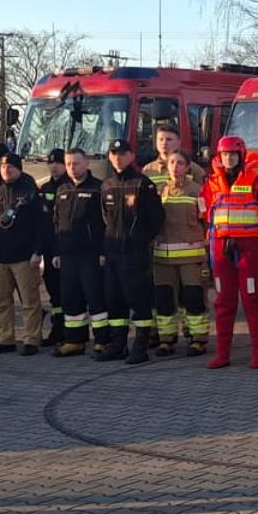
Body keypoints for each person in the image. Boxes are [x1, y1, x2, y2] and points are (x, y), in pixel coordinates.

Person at [202, 136, 258, 369]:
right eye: (225, 154)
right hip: (221, 248)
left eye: (233, 154)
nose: (229, 158)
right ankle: (222, 355)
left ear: (242, 155)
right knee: (223, 301)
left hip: (249, 248)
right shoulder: (211, 183)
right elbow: (204, 213)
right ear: (219, 156)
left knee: (252, 300)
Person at [142, 135, 211, 357]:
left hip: (191, 256)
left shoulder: (197, 191)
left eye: (180, 163)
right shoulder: (160, 191)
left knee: (193, 298)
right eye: (172, 163)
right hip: (163, 256)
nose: (175, 167)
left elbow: (206, 220)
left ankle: (197, 338)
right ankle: (166, 340)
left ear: (188, 167)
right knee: (163, 300)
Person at [0, 153, 49, 356]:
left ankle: (32, 339)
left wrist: (38, 251)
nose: (7, 170)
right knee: (1, 301)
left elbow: (41, 226)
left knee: (29, 301)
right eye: (3, 167)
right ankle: (4, 338)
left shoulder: (31, 193)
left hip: (24, 257)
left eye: (11, 167)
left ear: (19, 169)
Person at [99, 139, 165, 364]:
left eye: (123, 153)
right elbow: (104, 219)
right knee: (114, 300)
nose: (118, 158)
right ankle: (118, 345)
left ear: (131, 156)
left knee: (139, 300)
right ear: (110, 157)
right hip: (113, 254)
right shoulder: (106, 185)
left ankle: (140, 346)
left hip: (134, 254)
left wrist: (140, 241)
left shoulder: (143, 184)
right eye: (114, 154)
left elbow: (156, 219)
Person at [49, 149, 105, 357]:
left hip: (91, 254)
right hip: (68, 255)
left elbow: (104, 224)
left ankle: (102, 340)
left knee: (95, 297)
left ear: (86, 163)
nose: (73, 168)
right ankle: (75, 340)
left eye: (77, 163)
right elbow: (57, 224)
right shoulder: (62, 190)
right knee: (70, 298)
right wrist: (57, 252)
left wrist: (102, 251)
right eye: (69, 164)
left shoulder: (98, 189)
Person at [36, 149, 68, 347]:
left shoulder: (69, 187)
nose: (54, 166)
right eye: (51, 163)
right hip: (48, 248)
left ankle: (68, 331)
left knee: (68, 291)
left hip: (65, 247)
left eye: (58, 162)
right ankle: (57, 328)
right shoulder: (45, 188)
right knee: (53, 291)